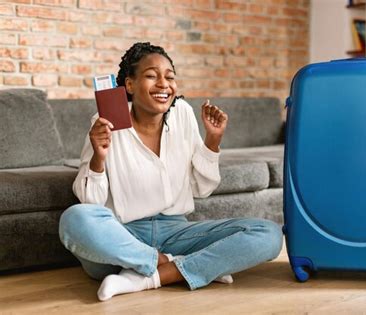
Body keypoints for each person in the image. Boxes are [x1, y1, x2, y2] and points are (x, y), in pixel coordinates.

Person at [58, 42, 283, 301]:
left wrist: (213, 140)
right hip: (124, 237)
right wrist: (99, 156)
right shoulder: (106, 122)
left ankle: (149, 277)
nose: (164, 84)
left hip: (177, 232)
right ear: (129, 85)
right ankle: (181, 265)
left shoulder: (183, 115)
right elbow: (90, 202)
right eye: (152, 75)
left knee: (269, 234)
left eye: (170, 77)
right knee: (75, 219)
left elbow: (203, 189)